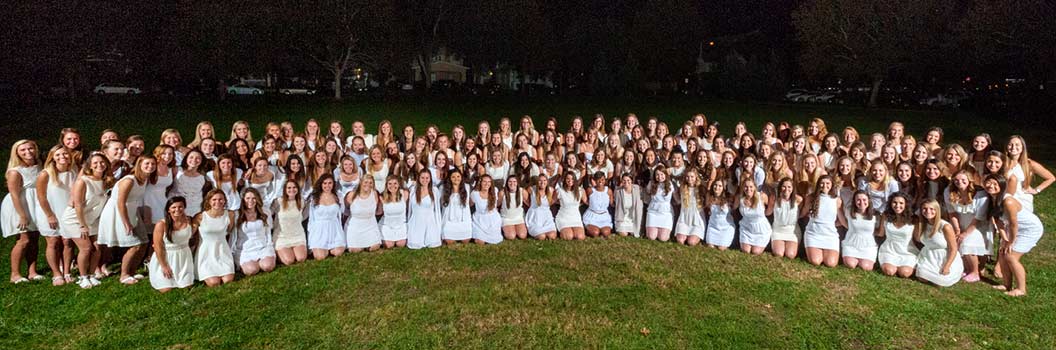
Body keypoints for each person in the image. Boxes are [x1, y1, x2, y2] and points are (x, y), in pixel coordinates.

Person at [97, 155, 157, 285]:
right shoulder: (129, 180)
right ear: (139, 165)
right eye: (147, 164)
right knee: (135, 244)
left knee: (144, 242)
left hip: (131, 210)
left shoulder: (144, 179)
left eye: (153, 164)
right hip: (118, 212)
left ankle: (132, 271)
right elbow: (120, 202)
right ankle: (124, 275)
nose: (150, 167)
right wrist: (126, 222)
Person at [984, 174, 1044, 297]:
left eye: (995, 184)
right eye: (988, 183)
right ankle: (1006, 285)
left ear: (1002, 186)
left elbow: (1013, 224)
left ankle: (1021, 289)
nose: (991, 186)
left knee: (1011, 257)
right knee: (1002, 253)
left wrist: (1010, 241)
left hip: (1029, 229)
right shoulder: (991, 199)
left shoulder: (1008, 201)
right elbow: (999, 222)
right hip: (1012, 229)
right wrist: (1004, 239)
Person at [59, 153, 112, 288]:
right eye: (95, 163)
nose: (99, 165)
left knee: (97, 247)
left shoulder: (107, 181)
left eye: (102, 162)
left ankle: (92, 275)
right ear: (89, 165)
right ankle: (83, 278)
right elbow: (78, 205)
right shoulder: (83, 181)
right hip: (75, 219)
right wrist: (82, 225)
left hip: (92, 218)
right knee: (86, 247)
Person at [34, 145, 78, 285]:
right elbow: (41, 197)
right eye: (58, 155)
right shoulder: (45, 174)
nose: (62, 157)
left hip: (67, 212)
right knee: (53, 242)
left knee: (68, 242)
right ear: (52, 157)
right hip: (50, 211)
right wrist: (49, 215)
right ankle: (56, 273)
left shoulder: (73, 171)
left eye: (65, 154)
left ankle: (66, 271)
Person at [3, 140, 42, 283]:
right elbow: (14, 194)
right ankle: (15, 274)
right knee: (23, 240)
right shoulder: (15, 171)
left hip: (35, 203)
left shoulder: (39, 166)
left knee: (34, 239)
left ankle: (32, 271)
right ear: (17, 153)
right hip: (19, 205)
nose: (28, 152)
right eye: (23, 150)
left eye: (30, 148)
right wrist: (22, 215)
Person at [944, 170, 989, 282]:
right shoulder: (949, 191)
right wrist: (957, 229)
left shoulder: (980, 195)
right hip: (960, 223)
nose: (960, 182)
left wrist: (965, 233)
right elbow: (952, 213)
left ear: (970, 181)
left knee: (967, 242)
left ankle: (975, 272)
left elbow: (978, 218)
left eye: (963, 180)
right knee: (956, 241)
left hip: (978, 226)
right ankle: (966, 268)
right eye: (956, 180)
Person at [147, 197, 196, 292]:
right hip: (166, 257)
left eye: (180, 207)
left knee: (186, 286)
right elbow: (158, 247)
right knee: (166, 289)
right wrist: (164, 266)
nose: (177, 210)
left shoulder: (189, 221)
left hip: (184, 258)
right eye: (173, 207)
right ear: (168, 210)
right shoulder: (161, 224)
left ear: (184, 207)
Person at [914, 199, 963, 287]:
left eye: (932, 209)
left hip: (944, 257)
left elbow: (953, 248)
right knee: (922, 277)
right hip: (928, 256)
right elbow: (917, 239)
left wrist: (947, 266)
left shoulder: (945, 226)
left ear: (937, 210)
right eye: (924, 209)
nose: (928, 211)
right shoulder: (922, 224)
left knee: (940, 282)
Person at [195, 189, 236, 287]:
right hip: (206, 253)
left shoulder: (230, 214)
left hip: (223, 251)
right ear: (209, 201)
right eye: (214, 199)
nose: (217, 202)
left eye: (220, 199)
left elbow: (230, 230)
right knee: (214, 282)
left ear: (225, 200)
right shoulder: (200, 217)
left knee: (228, 280)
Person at [801, 175, 843, 266]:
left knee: (831, 263)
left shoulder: (837, 200)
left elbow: (841, 219)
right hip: (813, 233)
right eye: (822, 183)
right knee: (816, 261)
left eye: (827, 183)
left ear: (832, 185)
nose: (824, 186)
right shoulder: (811, 197)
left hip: (830, 235)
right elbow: (803, 213)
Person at [233, 188, 276, 276]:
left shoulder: (265, 212)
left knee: (268, 266)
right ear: (243, 200)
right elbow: (233, 236)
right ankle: (251, 264)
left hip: (263, 246)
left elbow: (268, 232)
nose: (251, 201)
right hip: (245, 249)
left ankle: (262, 261)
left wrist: (269, 245)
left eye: (254, 198)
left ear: (257, 199)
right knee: (252, 270)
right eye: (248, 198)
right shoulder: (237, 215)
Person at [877, 192, 918, 278]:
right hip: (889, 250)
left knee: (904, 273)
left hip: (907, 251)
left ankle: (906, 266)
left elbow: (918, 238)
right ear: (890, 203)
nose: (897, 205)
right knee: (889, 271)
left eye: (901, 203)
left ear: (906, 204)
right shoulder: (885, 215)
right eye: (894, 202)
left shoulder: (913, 219)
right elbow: (880, 233)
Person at [307, 175, 346, 259]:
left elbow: (341, 212)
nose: (327, 186)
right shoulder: (314, 197)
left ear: (333, 184)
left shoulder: (338, 196)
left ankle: (332, 247)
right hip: (319, 230)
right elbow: (311, 218)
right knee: (320, 256)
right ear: (321, 184)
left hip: (334, 229)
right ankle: (322, 248)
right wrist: (311, 233)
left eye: (330, 183)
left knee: (338, 252)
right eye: (325, 183)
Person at [841, 191, 879, 271]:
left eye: (864, 199)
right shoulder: (849, 212)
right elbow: (844, 223)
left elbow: (879, 232)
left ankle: (864, 260)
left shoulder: (875, 215)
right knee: (850, 264)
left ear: (868, 200)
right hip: (851, 244)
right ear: (854, 202)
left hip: (868, 246)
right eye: (858, 200)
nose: (861, 202)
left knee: (866, 267)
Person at [407, 169, 442, 249]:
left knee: (433, 243)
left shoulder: (434, 191)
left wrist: (438, 227)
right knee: (415, 244)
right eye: (422, 178)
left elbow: (437, 210)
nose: (425, 180)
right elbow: (410, 209)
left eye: (427, 178)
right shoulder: (413, 190)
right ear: (418, 178)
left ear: (430, 179)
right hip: (416, 221)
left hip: (430, 221)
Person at [767, 177, 801, 258]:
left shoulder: (798, 200)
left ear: (793, 188)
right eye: (784, 186)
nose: (786, 189)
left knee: (790, 255)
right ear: (780, 187)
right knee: (779, 254)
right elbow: (768, 212)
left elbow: (802, 214)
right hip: (778, 230)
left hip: (792, 231)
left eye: (789, 187)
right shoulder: (774, 198)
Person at [736, 178, 771, 255]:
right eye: (746, 186)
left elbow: (770, 208)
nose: (748, 189)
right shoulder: (740, 198)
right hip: (746, 228)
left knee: (755, 252)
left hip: (761, 229)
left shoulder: (762, 196)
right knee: (746, 251)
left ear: (755, 187)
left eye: (751, 186)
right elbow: (732, 208)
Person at [441, 169, 473, 244]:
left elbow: (471, 202)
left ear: (461, 177)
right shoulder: (444, 188)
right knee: (450, 242)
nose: (456, 179)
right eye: (453, 177)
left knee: (466, 241)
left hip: (463, 219)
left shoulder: (467, 187)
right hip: (449, 220)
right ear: (449, 178)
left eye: (458, 176)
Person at [470, 175, 503, 244]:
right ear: (480, 182)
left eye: (489, 182)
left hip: (493, 219)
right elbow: (469, 205)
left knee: (495, 240)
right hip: (479, 220)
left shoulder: (495, 190)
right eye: (484, 181)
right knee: (479, 241)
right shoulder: (475, 194)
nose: (487, 184)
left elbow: (498, 203)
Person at [644, 168, 675, 241]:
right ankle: (653, 230)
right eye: (657, 175)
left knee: (663, 238)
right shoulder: (651, 183)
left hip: (665, 213)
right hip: (653, 212)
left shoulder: (670, 184)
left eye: (662, 174)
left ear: (665, 175)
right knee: (651, 237)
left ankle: (662, 232)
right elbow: (647, 193)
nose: (659, 176)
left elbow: (675, 196)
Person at [379, 175, 410, 248]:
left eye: (395, 183)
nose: (392, 186)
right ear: (386, 185)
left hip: (401, 224)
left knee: (401, 244)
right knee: (389, 245)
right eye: (390, 183)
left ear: (399, 184)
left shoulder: (404, 193)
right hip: (387, 225)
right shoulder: (382, 196)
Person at [705, 178, 735, 250]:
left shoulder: (729, 198)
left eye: (720, 186)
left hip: (726, 227)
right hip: (713, 226)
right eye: (715, 185)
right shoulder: (709, 196)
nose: (717, 187)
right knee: (710, 247)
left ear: (724, 188)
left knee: (721, 248)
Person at [555, 172, 586, 240]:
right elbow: (552, 202)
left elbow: (586, 201)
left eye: (572, 179)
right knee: (569, 236)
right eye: (568, 179)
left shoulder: (580, 190)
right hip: (563, 218)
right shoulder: (560, 191)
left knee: (580, 237)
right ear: (564, 180)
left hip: (575, 218)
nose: (570, 181)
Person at [583, 172, 614, 239]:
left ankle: (602, 230)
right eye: (598, 179)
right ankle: (588, 230)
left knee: (606, 233)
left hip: (604, 216)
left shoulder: (609, 191)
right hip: (592, 216)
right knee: (595, 233)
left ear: (605, 180)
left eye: (602, 179)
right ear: (594, 180)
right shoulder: (590, 190)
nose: (600, 181)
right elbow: (586, 201)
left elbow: (611, 203)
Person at [525, 175, 558, 240]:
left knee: (552, 236)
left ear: (547, 182)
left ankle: (547, 231)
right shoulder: (531, 189)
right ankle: (537, 232)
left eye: (544, 180)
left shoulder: (551, 190)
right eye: (540, 180)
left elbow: (554, 200)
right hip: (535, 217)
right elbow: (523, 194)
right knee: (541, 237)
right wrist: (530, 205)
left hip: (547, 217)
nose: (542, 182)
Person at [613, 173, 644, 238]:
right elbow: (616, 203)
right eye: (624, 180)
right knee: (624, 234)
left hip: (633, 217)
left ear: (631, 180)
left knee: (635, 233)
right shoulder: (618, 191)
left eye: (628, 180)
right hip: (623, 218)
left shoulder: (637, 189)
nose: (626, 182)